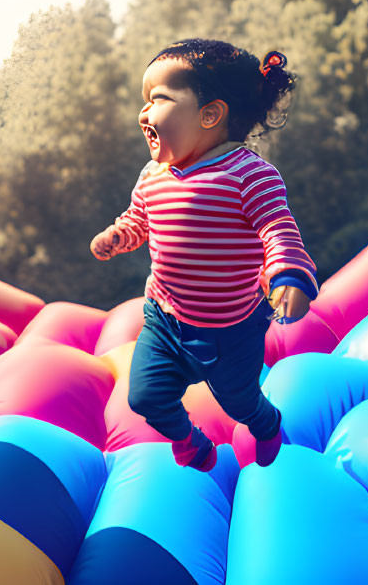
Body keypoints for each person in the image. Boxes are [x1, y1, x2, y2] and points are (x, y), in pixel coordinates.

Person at [90, 39, 318, 471]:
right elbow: (140, 218)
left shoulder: (249, 174)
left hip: (231, 327)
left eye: (157, 99)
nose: (144, 113)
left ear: (210, 115)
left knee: (240, 402)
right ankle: (189, 440)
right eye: (145, 100)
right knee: (145, 396)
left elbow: (278, 228)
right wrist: (120, 234)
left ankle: (266, 423)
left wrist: (289, 273)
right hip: (165, 315)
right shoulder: (153, 174)